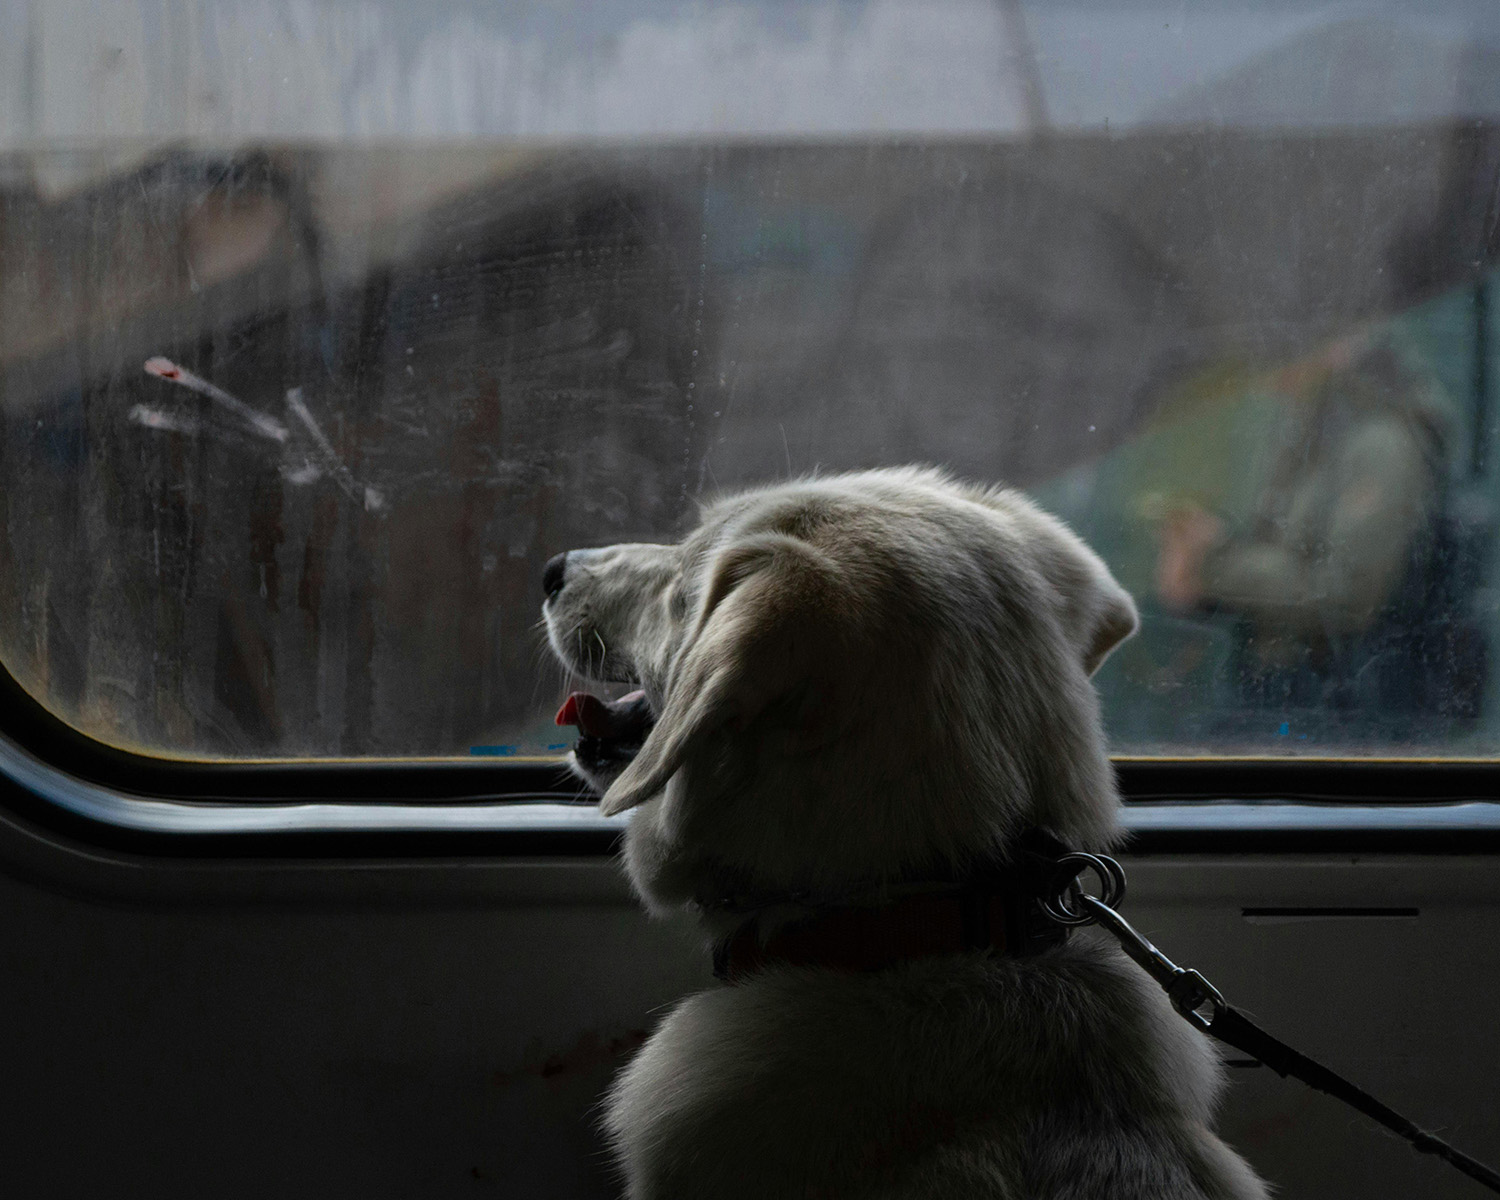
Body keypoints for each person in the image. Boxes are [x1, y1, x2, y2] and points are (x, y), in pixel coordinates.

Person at [1156, 327, 1480, 738]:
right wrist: (1205, 558)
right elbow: (1283, 550)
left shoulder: (1382, 442)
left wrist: (1215, 565)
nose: (1263, 369)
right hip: (1282, 694)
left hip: (1339, 712)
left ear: (1337, 341)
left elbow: (1345, 596)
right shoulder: (1310, 430)